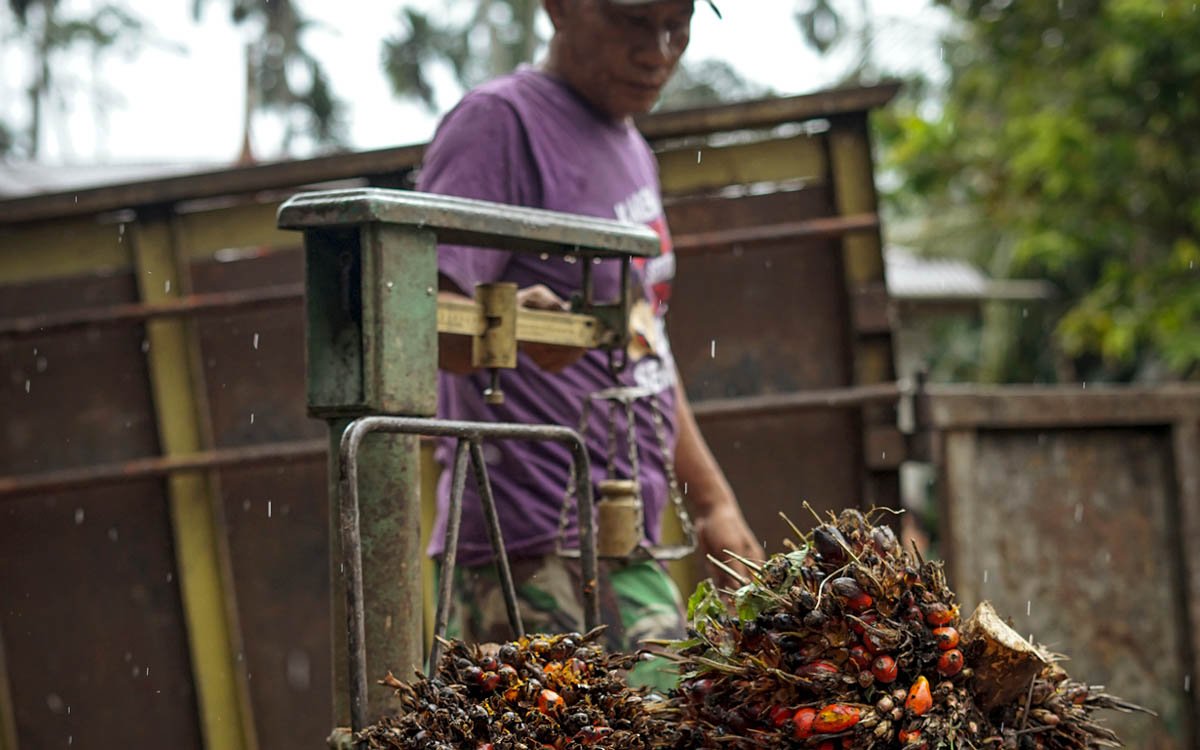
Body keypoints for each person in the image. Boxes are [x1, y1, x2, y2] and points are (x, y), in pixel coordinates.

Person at [417, 0, 762, 690]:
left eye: (678, 25)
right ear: (560, 7)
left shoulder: (628, 142)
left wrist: (714, 503)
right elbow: (414, 321)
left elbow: (643, 343)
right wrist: (512, 320)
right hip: (529, 555)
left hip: (621, 539)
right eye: (633, 21)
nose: (658, 51)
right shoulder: (499, 127)